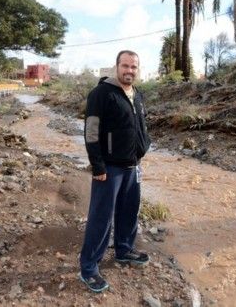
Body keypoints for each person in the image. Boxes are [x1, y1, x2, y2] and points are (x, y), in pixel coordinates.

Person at [79, 50, 151, 293]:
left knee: (129, 211)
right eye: (125, 66)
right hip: (109, 168)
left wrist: (144, 147)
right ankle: (89, 268)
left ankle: (124, 250)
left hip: (132, 166)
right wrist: (97, 165)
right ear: (116, 66)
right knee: (101, 217)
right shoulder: (101, 94)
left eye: (133, 67)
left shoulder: (137, 95)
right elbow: (91, 131)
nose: (129, 70)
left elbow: (141, 125)